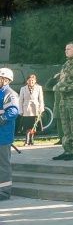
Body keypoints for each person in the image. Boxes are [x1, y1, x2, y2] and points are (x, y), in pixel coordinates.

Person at [0, 68, 20, 200]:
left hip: (3, 135)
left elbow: (13, 111)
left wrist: (1, 119)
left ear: (5, 79)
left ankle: (4, 192)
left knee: (3, 165)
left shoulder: (9, 93)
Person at [17, 73, 44, 146]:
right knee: (27, 126)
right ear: (27, 81)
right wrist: (20, 110)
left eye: (32, 80)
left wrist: (41, 109)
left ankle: (31, 140)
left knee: (33, 126)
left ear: (35, 81)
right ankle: (27, 140)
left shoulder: (39, 88)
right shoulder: (23, 88)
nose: (31, 82)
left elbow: (41, 99)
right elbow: (20, 100)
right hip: (26, 109)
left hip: (35, 109)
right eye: (29, 80)